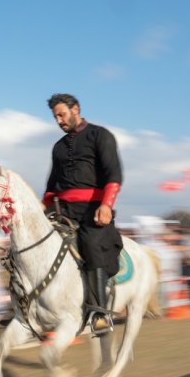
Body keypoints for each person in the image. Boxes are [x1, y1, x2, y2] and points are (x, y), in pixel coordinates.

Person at [42, 93, 124, 335]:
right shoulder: (57, 147)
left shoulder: (101, 135)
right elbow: (50, 187)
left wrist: (107, 205)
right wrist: (40, 211)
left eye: (62, 114)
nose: (58, 120)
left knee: (91, 245)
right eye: (55, 116)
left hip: (94, 211)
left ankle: (99, 312)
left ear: (75, 109)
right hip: (62, 211)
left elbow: (114, 174)